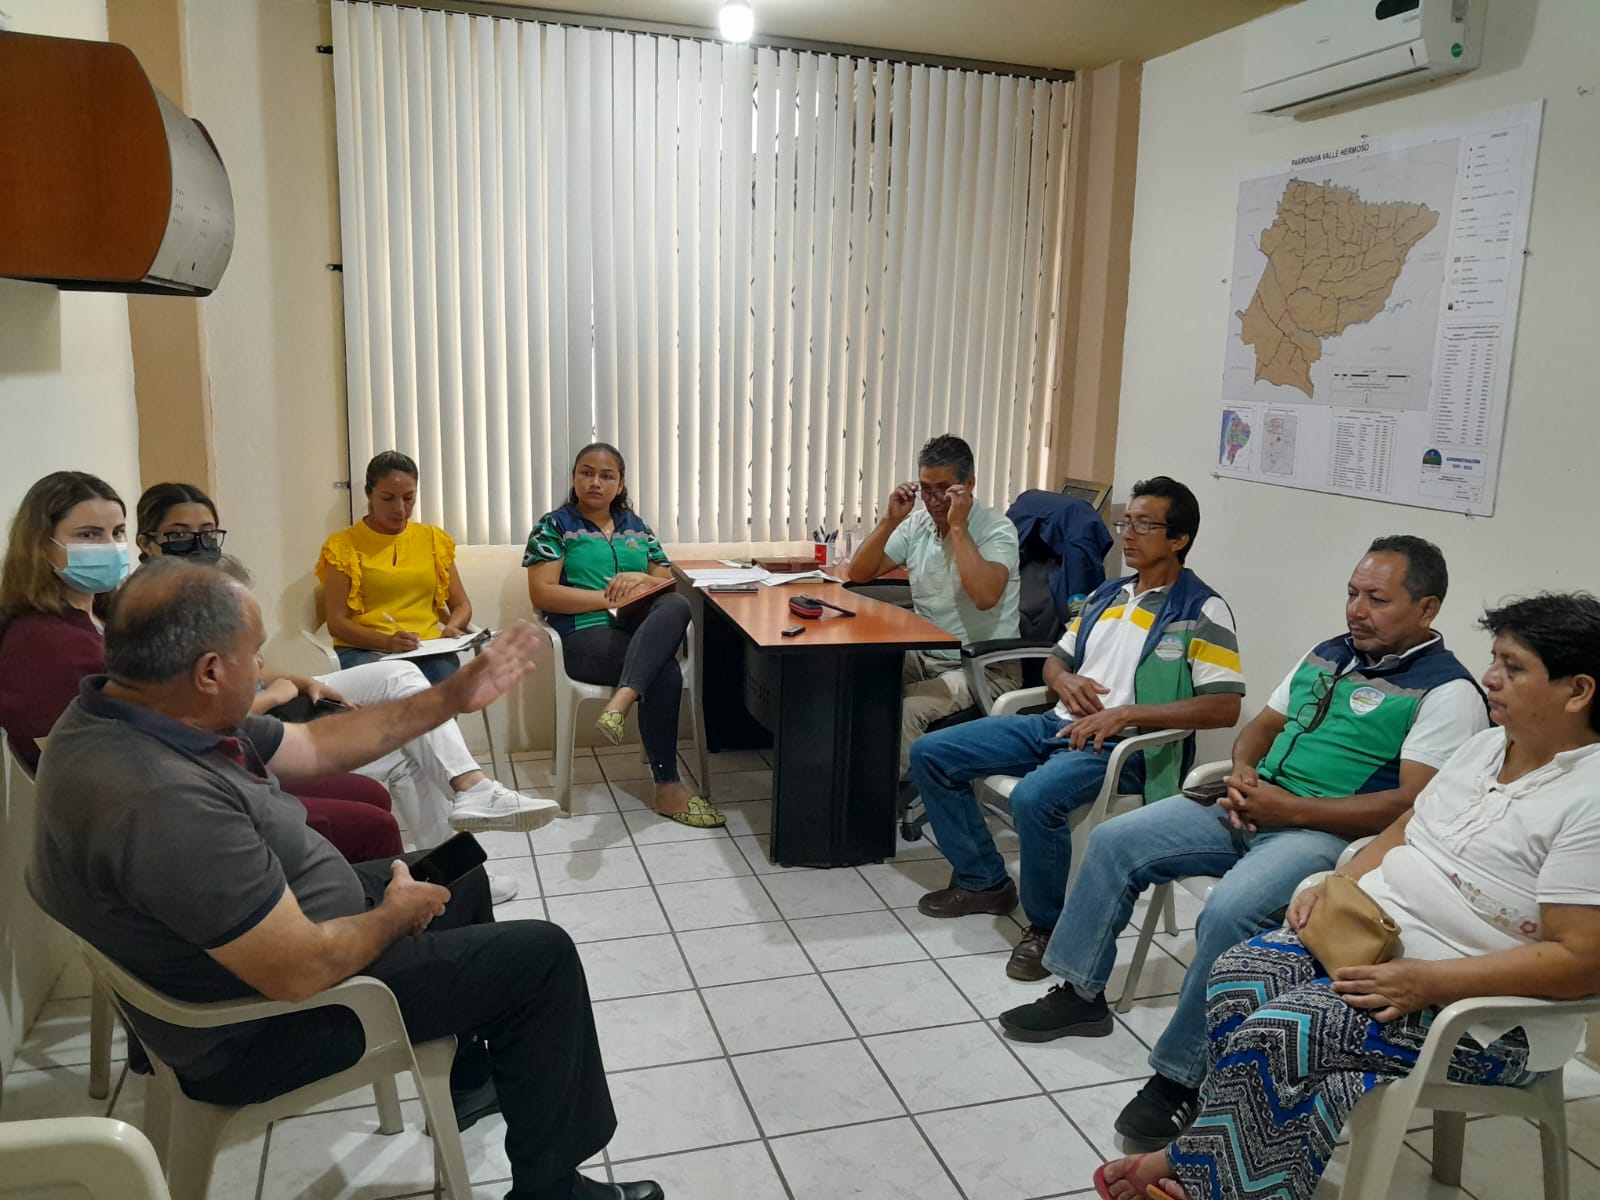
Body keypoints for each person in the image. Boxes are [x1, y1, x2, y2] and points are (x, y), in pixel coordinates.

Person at [27, 559, 664, 1200]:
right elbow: (297, 971)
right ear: (210, 671)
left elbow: (314, 748)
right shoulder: (162, 801)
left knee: (460, 874)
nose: (264, 669)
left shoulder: (130, 710)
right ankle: (554, 1191)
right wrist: (392, 915)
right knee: (542, 958)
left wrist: (450, 697)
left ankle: (468, 1079)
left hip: (277, 944)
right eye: (255, 654)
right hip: (264, 1030)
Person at [1095, 592, 1600, 1200]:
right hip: (1375, 946)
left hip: (1486, 1016)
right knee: (1239, 976)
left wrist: (1429, 982)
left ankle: (1201, 1173)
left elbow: (1582, 962)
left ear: (1578, 691)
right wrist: (1337, 885)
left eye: (1512, 667)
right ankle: (1226, 1169)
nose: (1490, 677)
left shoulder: (1589, 799)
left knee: (1282, 1032)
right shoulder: (1488, 746)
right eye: (1494, 659)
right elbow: (1406, 826)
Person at [1001, 535, 1490, 1154]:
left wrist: (1290, 809)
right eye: (1352, 593)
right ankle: (1079, 993)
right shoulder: (1329, 652)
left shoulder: (1448, 693)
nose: (1356, 610)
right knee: (1115, 840)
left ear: (1427, 609)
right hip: (1252, 803)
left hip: (1328, 835)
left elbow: (1412, 807)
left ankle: (1180, 1079)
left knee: (1230, 909)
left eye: (1377, 599)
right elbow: (1258, 729)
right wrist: (1242, 773)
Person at [138, 482, 558, 901]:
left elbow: (252, 662)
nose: (198, 544)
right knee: (406, 750)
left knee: (401, 677)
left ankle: (471, 792)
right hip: (255, 726)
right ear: (146, 542)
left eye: (207, 532)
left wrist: (299, 680)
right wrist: (276, 694)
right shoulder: (145, 613)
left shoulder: (212, 585)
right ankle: (456, 870)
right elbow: (198, 716)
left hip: (276, 699)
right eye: (179, 534)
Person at [909, 477, 1244, 982]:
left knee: (1035, 799)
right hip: (1056, 723)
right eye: (1126, 522)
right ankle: (984, 882)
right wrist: (1064, 680)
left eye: (1144, 525)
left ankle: (1048, 927)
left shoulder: (1201, 610)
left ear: (1179, 539)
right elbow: (1055, 661)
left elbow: (1223, 706)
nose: (1128, 534)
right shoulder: (1108, 594)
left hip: (1120, 748)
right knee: (933, 753)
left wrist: (1126, 714)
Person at [0, 472, 403, 864]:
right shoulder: (44, 642)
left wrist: (281, 689)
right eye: (89, 535)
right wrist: (269, 706)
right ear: (41, 545)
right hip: (161, 800)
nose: (109, 546)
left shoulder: (104, 616)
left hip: (192, 765)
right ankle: (349, 901)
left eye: (117, 532)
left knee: (370, 793)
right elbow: (89, 762)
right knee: (373, 825)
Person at [525, 442, 722, 828]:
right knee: (663, 669)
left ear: (620, 484)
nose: (595, 482)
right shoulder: (554, 526)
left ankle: (622, 699)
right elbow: (542, 594)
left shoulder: (636, 527)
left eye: (606, 475)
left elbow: (665, 581)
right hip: (584, 635)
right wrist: (608, 599)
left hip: (637, 630)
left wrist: (642, 579)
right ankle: (667, 786)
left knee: (678, 604)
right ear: (574, 478)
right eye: (586, 473)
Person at [846, 433, 1023, 776]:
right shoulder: (918, 524)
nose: (934, 501)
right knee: (858, 675)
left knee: (907, 708)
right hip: (926, 655)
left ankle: (898, 796)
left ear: (969, 485)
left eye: (944, 490)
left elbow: (984, 597)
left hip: (982, 668)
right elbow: (860, 572)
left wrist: (958, 527)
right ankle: (855, 782)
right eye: (926, 490)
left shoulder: (997, 529)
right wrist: (890, 520)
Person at [316, 451, 472, 686]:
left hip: (427, 647)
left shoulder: (433, 539)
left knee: (446, 678)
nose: (400, 509)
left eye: (408, 498)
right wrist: (387, 642)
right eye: (388, 499)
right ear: (369, 494)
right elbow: (337, 623)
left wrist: (452, 627)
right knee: (401, 683)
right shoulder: (342, 546)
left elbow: (462, 605)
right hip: (365, 649)